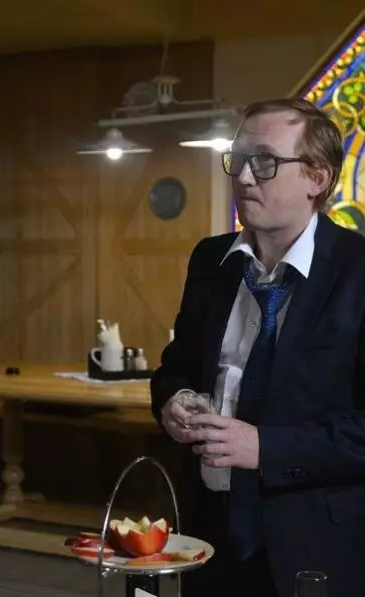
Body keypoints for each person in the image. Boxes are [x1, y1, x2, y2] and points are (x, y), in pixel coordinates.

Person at [151, 98, 365, 597]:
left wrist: (264, 448)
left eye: (265, 162)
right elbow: (174, 369)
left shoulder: (358, 271)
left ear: (317, 178)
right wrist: (172, 401)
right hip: (207, 532)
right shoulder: (209, 261)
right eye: (239, 158)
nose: (244, 177)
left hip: (318, 545)